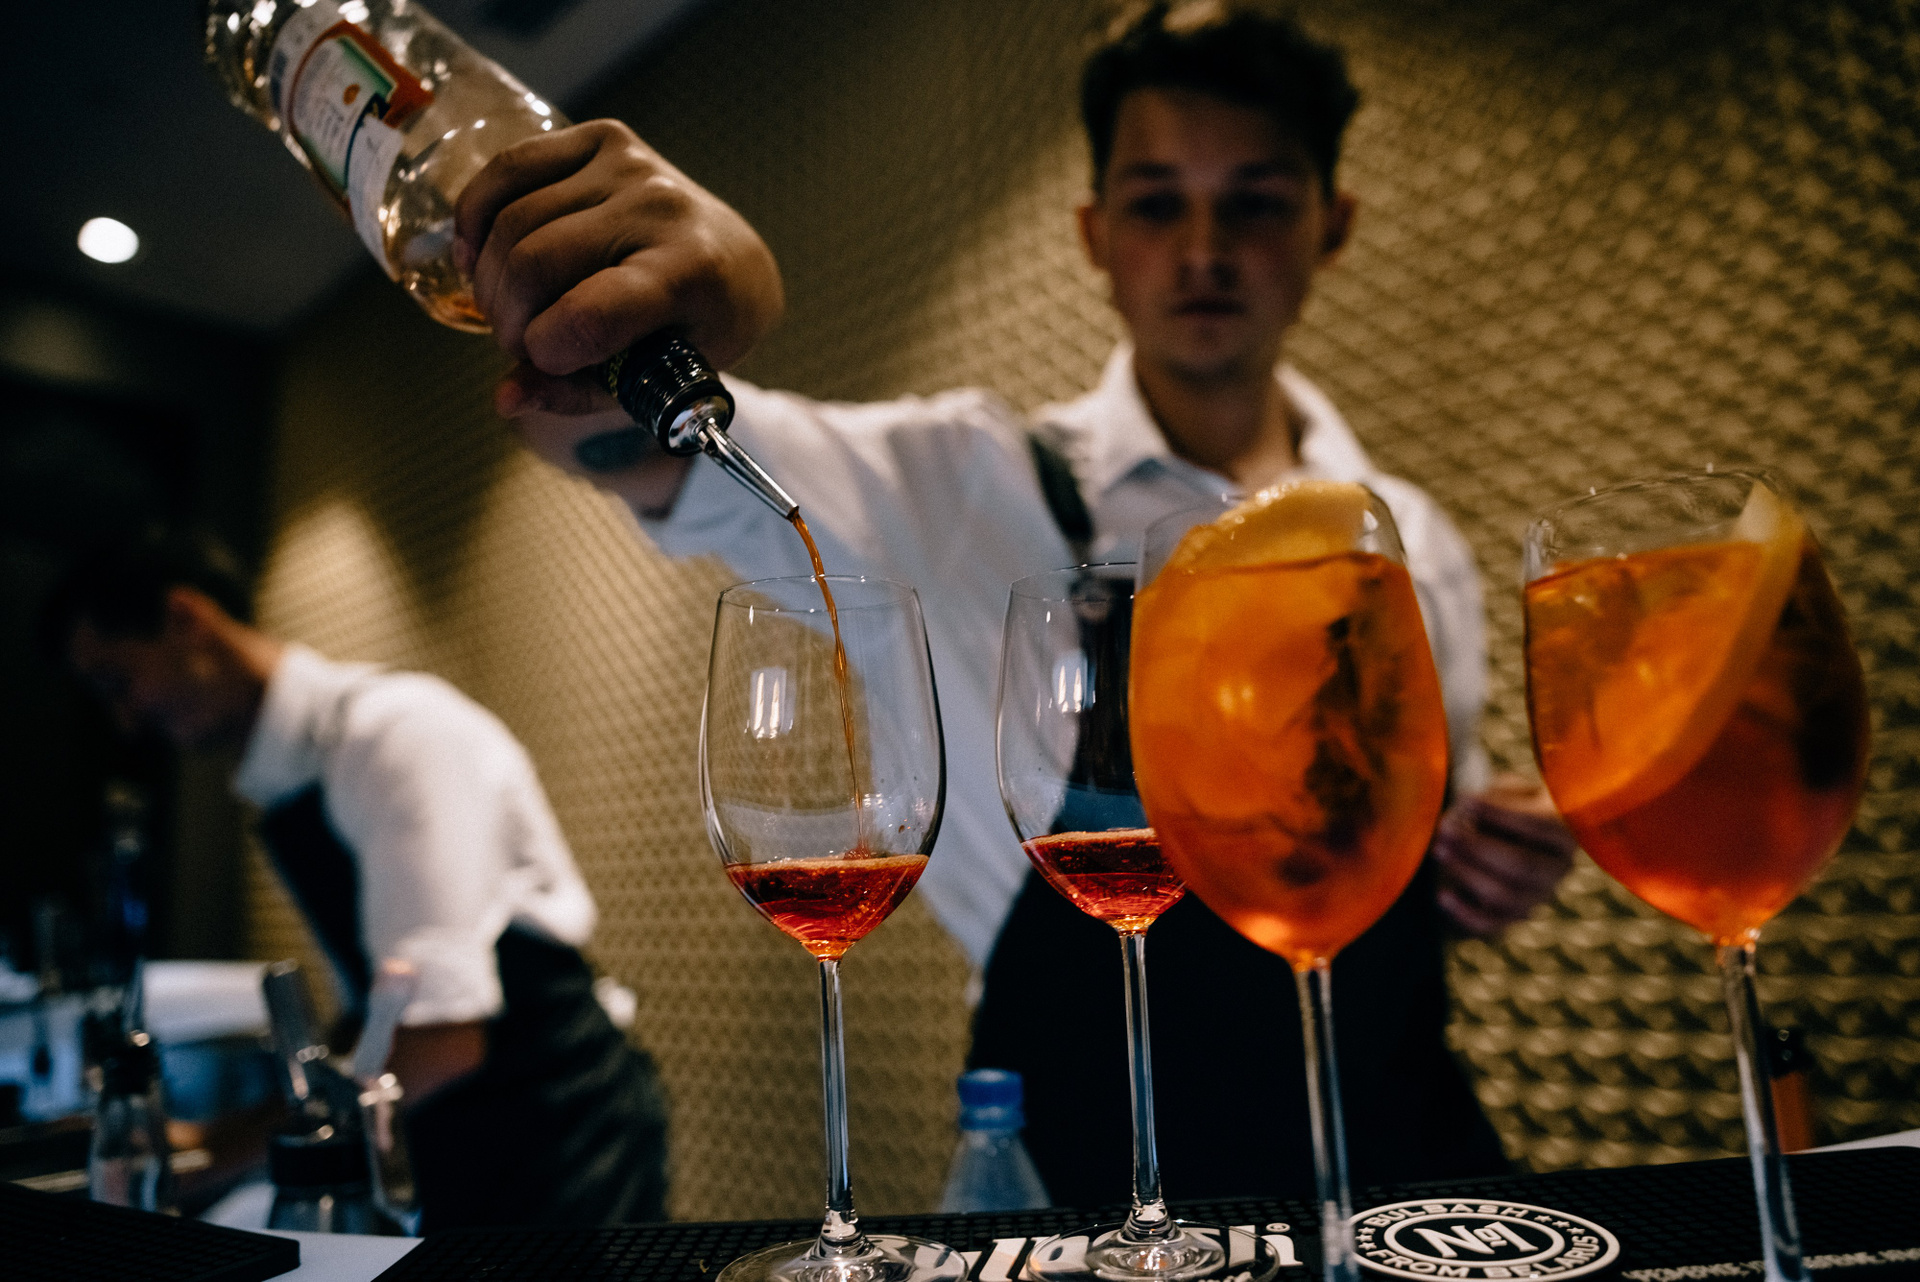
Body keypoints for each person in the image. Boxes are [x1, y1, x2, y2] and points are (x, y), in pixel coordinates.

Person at [455, 1, 1576, 1201]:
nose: (1204, 248)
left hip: (1400, 1153)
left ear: (1331, 226)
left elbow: (1404, 863)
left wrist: (1482, 864)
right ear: (1096, 233)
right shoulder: (958, 487)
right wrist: (655, 308)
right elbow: (606, 441)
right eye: (1156, 203)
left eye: (1255, 202)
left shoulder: (1412, 544)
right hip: (1093, 1178)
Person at [45, 531, 669, 1231]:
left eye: (119, 681)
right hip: (460, 1131)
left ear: (186, 618)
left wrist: (212, 1165)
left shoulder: (396, 736)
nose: (127, 720)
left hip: (560, 1133)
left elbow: (440, 1042)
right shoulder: (288, 776)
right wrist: (209, 1138)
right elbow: (380, 1016)